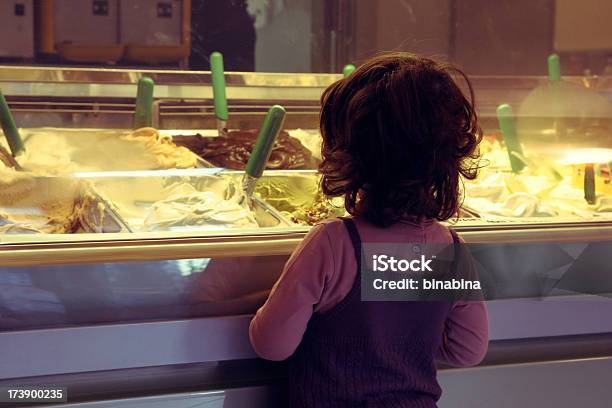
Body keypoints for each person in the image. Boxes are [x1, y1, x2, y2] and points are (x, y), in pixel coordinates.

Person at [249, 52, 489, 407]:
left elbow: (272, 345)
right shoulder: (449, 248)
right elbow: (468, 350)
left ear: (345, 155)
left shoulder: (332, 243)